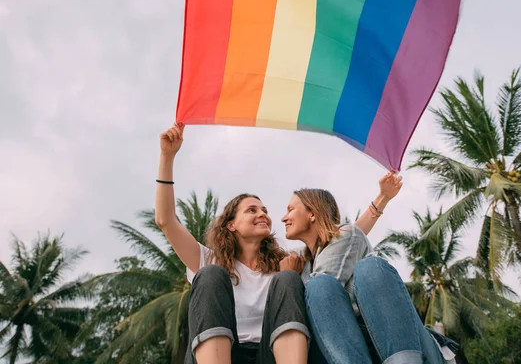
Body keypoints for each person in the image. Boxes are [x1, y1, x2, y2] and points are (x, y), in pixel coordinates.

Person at [155, 123, 310, 364]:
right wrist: (167, 155)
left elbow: (332, 243)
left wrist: (379, 203)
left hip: (268, 355)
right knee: (209, 275)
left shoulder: (284, 265)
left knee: (288, 279)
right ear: (231, 225)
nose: (263, 214)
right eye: (252, 210)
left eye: (264, 210)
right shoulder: (208, 260)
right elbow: (165, 220)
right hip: (222, 355)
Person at [282, 184, 458, 364]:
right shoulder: (303, 264)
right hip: (358, 353)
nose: (283, 218)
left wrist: (382, 198)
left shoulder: (346, 236)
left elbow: (324, 295)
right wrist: (287, 276)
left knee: (367, 269)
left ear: (312, 213)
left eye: (290, 210)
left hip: (411, 349)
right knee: (319, 285)